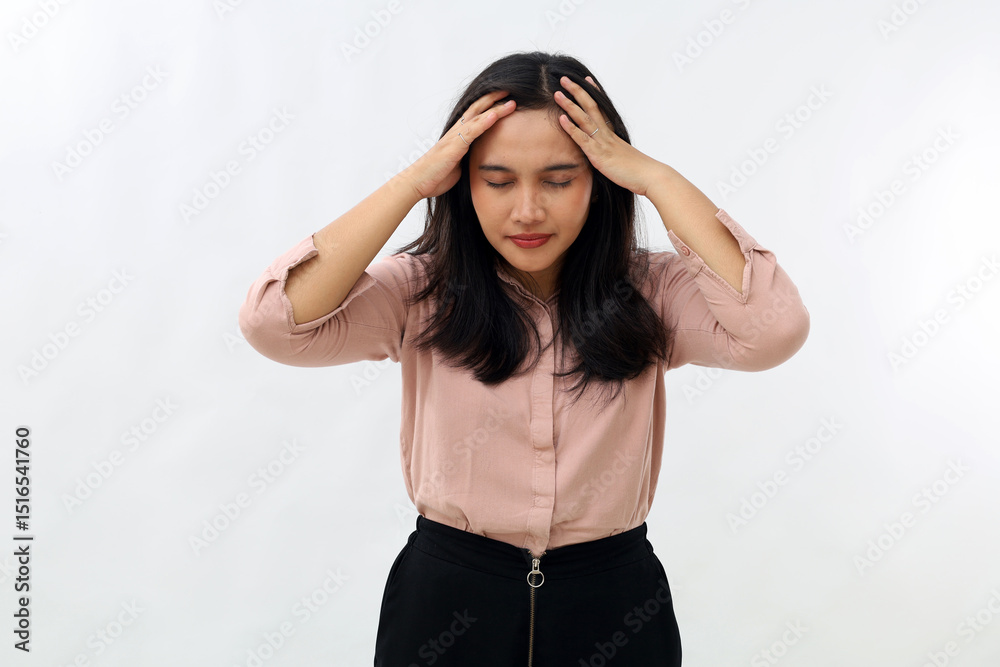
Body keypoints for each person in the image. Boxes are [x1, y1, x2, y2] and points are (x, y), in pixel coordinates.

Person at [238, 50, 809, 666]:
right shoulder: (419, 292)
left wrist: (657, 179)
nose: (528, 210)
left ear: (602, 181)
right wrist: (411, 183)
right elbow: (275, 324)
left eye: (560, 180)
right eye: (499, 180)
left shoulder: (653, 292)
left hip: (614, 598)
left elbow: (773, 331)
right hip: (448, 597)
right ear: (463, 183)